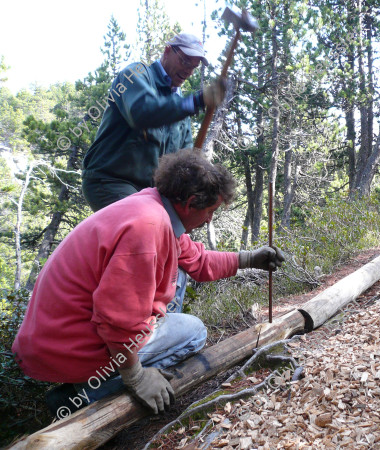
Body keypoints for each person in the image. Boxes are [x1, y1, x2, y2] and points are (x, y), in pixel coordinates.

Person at [12, 150, 285, 416]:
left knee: (177, 275)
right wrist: (136, 377)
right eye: (211, 210)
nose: (210, 218)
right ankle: (83, 396)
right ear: (190, 203)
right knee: (193, 332)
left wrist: (249, 258)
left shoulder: (152, 207)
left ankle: (95, 379)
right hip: (69, 347)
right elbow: (116, 320)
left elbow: (198, 261)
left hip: (58, 339)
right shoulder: (148, 227)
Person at [82, 32, 225, 212]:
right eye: (185, 61)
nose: (188, 71)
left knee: (171, 233)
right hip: (111, 181)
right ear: (167, 51)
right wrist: (195, 102)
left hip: (149, 195)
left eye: (193, 67)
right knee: (142, 223)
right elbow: (142, 113)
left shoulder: (180, 108)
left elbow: (185, 159)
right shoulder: (136, 75)